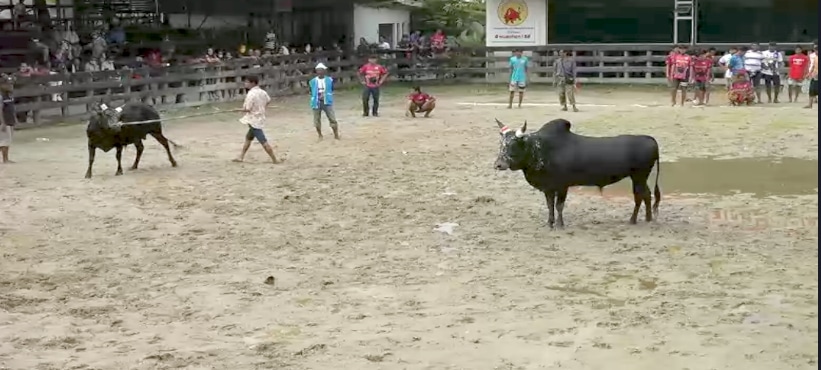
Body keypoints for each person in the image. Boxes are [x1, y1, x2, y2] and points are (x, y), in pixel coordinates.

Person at [233, 76, 282, 164]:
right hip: (259, 118)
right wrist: (261, 107)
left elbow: (248, 109)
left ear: (253, 83)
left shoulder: (251, 94)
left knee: (263, 141)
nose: (245, 84)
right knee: (248, 138)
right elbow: (268, 100)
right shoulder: (262, 92)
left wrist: (237, 110)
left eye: (247, 82)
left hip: (253, 120)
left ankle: (275, 159)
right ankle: (241, 157)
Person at [309, 63, 339, 140]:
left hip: (327, 101)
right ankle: (320, 135)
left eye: (321, 70)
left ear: (324, 71)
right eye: (318, 70)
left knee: (332, 118)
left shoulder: (329, 80)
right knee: (316, 120)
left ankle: (336, 134)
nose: (320, 72)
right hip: (316, 101)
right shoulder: (312, 81)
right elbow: (311, 91)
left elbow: (331, 89)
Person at [0, 76, 16, 163]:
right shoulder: (1, 96)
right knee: (4, 140)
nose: (11, 86)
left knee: (7, 140)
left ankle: (6, 158)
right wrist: (2, 122)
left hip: (10, 119)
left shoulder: (9, 95)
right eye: (8, 84)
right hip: (4, 121)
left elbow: (12, 108)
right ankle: (5, 159)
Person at [806, 43, 818, 109]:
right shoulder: (815, 57)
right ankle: (810, 104)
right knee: (811, 90)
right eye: (815, 51)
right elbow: (813, 66)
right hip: (814, 75)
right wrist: (809, 73)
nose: (816, 52)